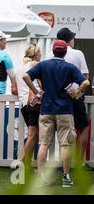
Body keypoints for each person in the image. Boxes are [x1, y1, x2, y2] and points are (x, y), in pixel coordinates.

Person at [23, 40, 90, 187]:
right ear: (65, 52)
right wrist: (77, 93)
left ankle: (41, 176)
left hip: (46, 109)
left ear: (53, 51)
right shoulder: (70, 67)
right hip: (65, 110)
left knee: (44, 144)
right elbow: (86, 82)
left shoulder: (43, 65)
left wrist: (36, 92)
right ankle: (66, 178)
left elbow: (25, 76)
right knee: (65, 145)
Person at [57, 27, 90, 166]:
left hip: (58, 97)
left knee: (64, 130)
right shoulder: (78, 53)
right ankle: (80, 163)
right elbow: (85, 77)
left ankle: (64, 163)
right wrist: (78, 93)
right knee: (83, 127)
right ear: (69, 40)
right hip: (76, 96)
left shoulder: (52, 54)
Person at [11, 43, 42, 164]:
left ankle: (26, 164)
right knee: (33, 135)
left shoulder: (19, 68)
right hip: (34, 103)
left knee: (33, 135)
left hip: (23, 104)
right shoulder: (35, 64)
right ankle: (22, 162)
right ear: (35, 54)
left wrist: (24, 92)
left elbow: (13, 89)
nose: (41, 54)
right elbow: (41, 83)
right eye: (40, 52)